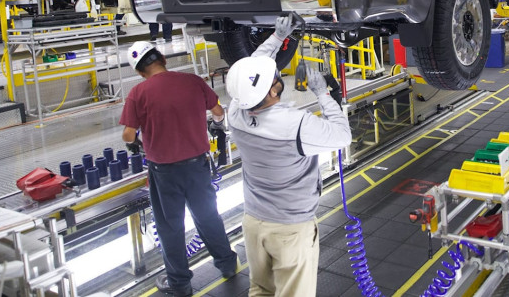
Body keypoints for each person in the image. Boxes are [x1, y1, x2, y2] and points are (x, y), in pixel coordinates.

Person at [226, 16, 351, 297]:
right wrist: (323, 94)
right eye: (275, 77)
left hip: (254, 223)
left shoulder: (236, 112)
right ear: (273, 90)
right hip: (290, 230)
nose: (277, 75)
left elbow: (252, 71)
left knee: (261, 290)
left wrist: (278, 37)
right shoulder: (295, 125)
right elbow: (343, 136)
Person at [119, 41, 238, 296]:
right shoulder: (192, 81)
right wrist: (215, 124)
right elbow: (218, 111)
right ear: (162, 58)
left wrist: (137, 142)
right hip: (197, 166)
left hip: (164, 173)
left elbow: (128, 134)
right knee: (207, 216)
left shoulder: (138, 93)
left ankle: (180, 283)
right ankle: (227, 264)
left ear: (139, 71)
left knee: (170, 227)